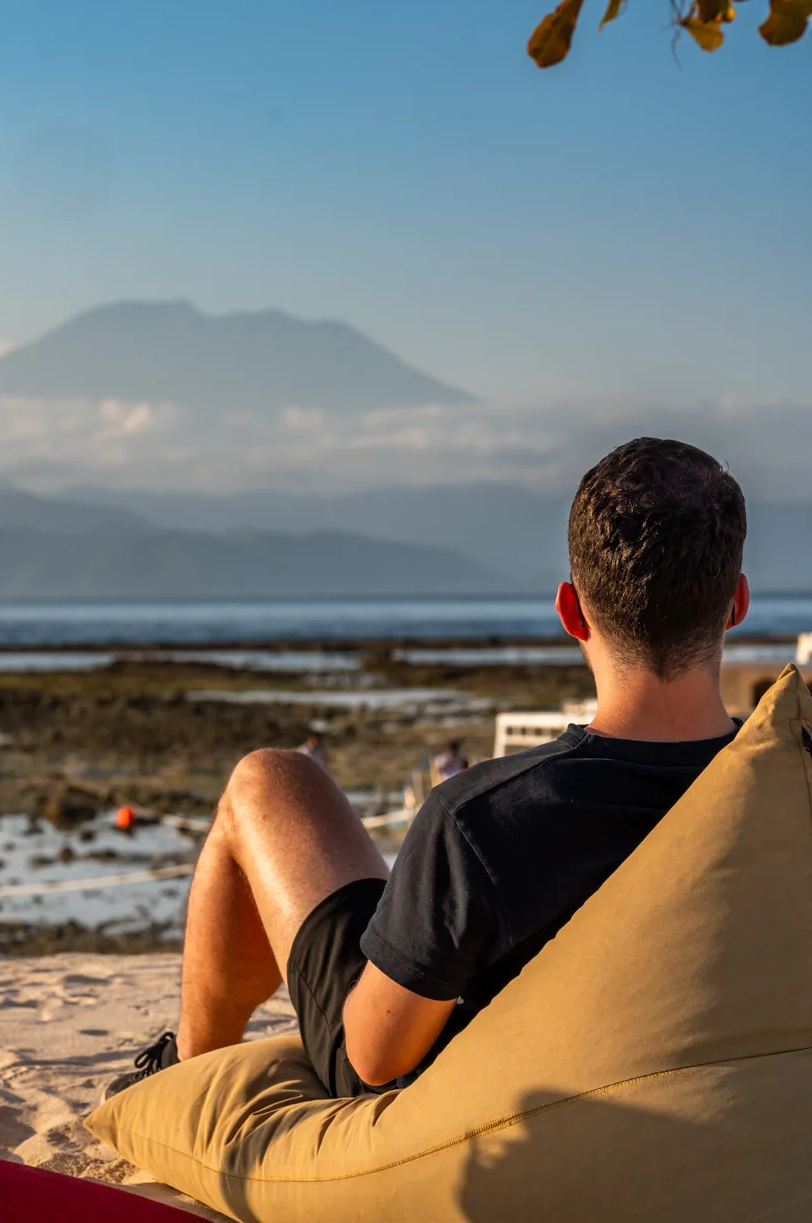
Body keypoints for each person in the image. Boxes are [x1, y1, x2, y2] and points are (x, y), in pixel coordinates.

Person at [105, 438, 749, 1102]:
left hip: (480, 1103)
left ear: (570, 611)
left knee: (268, 782)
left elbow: (377, 1057)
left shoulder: (483, 819)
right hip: (715, 1078)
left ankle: (185, 1076)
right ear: (737, 603)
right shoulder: (785, 788)